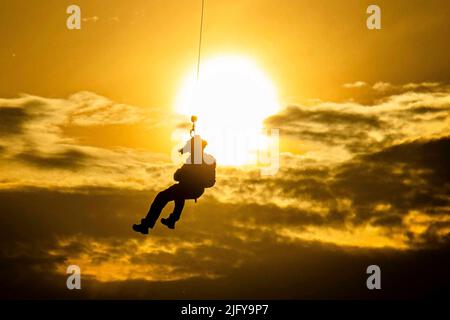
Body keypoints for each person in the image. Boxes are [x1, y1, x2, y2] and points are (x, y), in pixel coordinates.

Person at [132, 135, 216, 234]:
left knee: (162, 197)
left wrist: (187, 176)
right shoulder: (200, 159)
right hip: (191, 189)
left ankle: (147, 224)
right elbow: (178, 175)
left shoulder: (198, 160)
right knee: (178, 196)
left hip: (190, 188)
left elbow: (179, 175)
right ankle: (171, 220)